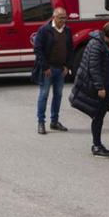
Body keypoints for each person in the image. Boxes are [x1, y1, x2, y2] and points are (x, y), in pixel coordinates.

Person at [70, 21, 109, 157]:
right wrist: (100, 87)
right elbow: (94, 68)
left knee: (99, 116)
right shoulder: (97, 45)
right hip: (101, 87)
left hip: (106, 85)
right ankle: (97, 145)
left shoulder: (102, 43)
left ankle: (97, 144)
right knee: (98, 116)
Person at [33, 7, 74, 135]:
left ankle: (54, 121)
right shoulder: (44, 30)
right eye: (61, 18)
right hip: (48, 69)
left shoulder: (67, 30)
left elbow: (70, 49)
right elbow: (38, 49)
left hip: (60, 69)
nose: (63, 20)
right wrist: (45, 67)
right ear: (54, 17)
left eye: (65, 18)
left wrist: (67, 66)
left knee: (58, 96)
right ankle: (41, 122)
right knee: (43, 95)